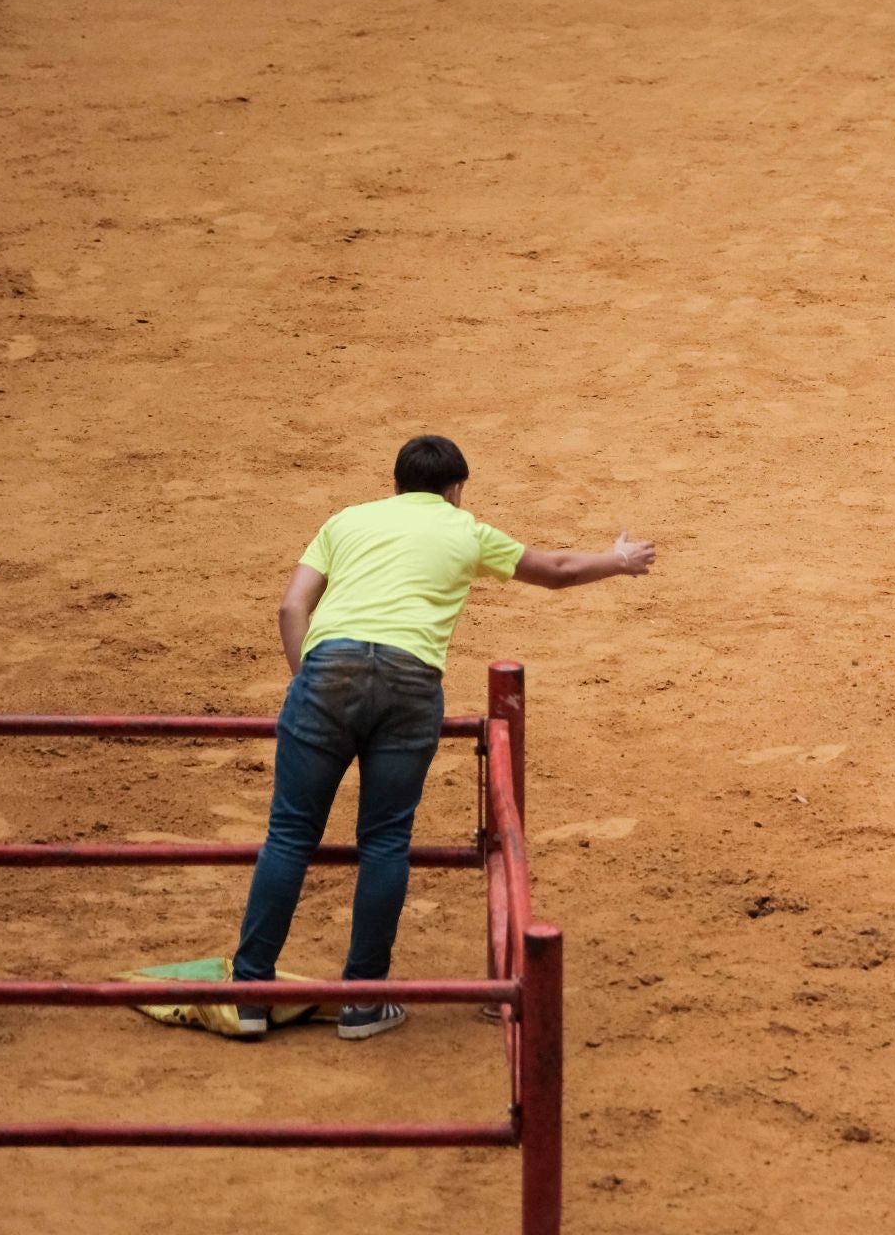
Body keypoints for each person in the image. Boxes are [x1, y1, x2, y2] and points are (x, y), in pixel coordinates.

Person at [231, 435, 655, 1040]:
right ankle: (363, 1003)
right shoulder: (466, 530)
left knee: (291, 834)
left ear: (395, 484)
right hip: (409, 683)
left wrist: (310, 683)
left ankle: (249, 997)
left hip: (328, 672)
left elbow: (291, 608)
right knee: (385, 840)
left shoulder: (347, 521)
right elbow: (556, 571)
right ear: (456, 490)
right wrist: (619, 559)